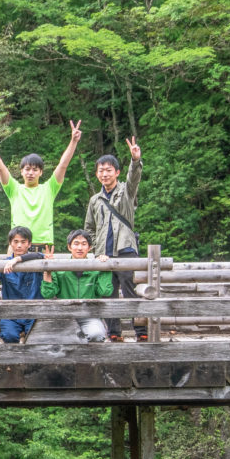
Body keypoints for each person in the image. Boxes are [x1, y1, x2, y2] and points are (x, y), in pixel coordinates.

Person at [0, 120, 82, 253]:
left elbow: (63, 165)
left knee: (46, 274)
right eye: (27, 169)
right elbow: (0, 167)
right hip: (17, 247)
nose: (31, 173)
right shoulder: (14, 189)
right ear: (21, 171)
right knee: (11, 274)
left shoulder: (49, 188)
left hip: (43, 247)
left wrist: (73, 141)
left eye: (35, 169)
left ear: (41, 172)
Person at [84, 136, 148, 342]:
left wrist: (135, 160)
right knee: (107, 292)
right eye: (101, 170)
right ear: (96, 174)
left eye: (108, 170)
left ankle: (141, 332)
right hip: (104, 254)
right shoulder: (95, 200)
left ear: (117, 172)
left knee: (131, 291)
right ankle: (114, 333)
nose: (104, 174)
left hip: (126, 250)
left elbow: (134, 179)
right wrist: (96, 249)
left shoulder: (126, 191)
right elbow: (89, 228)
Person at [40, 229, 113, 342]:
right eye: (76, 243)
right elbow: (48, 293)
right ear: (69, 247)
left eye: (84, 244)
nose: (80, 248)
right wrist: (48, 269)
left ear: (89, 248)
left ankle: (87, 358)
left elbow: (105, 291)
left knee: (97, 334)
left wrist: (105, 268)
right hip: (64, 315)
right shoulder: (59, 269)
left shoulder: (95, 268)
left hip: (90, 315)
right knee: (57, 338)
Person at [0, 226, 46, 344]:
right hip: (11, 313)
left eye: (23, 242)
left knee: (36, 338)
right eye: (16, 242)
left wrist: (17, 259)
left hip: (34, 313)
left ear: (29, 244)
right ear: (10, 243)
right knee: (9, 336)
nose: (19, 245)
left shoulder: (37, 261)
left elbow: (40, 255)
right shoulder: (5, 263)